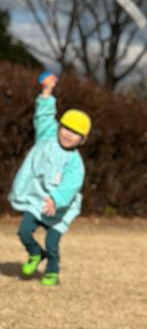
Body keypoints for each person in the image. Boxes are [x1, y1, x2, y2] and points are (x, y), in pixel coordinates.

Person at [8, 74, 90, 287]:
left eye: (75, 133)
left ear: (82, 140)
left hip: (59, 208)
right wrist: (46, 92)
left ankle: (52, 271)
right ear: (59, 126)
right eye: (66, 128)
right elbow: (44, 115)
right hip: (37, 199)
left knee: (52, 242)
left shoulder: (75, 162)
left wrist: (56, 199)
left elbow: (71, 185)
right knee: (24, 231)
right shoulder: (47, 136)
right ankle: (35, 253)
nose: (68, 134)